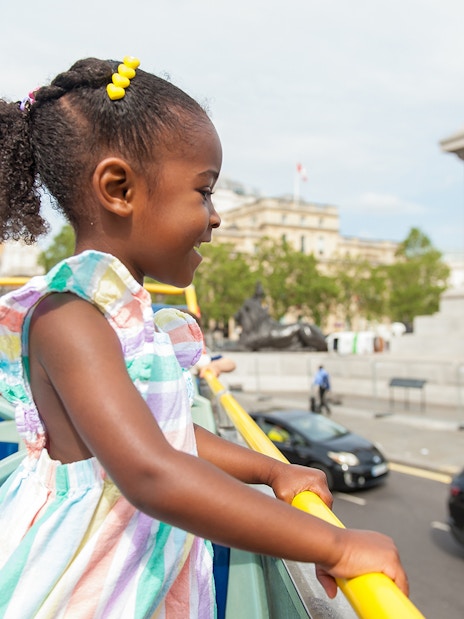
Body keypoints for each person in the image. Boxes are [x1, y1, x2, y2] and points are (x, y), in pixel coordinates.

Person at [0, 56, 408, 617]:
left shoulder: (126, 319)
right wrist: (335, 544)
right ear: (118, 188)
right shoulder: (70, 318)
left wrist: (270, 469)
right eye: (204, 191)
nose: (215, 216)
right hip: (90, 585)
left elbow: (168, 434)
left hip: (141, 569)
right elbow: (151, 470)